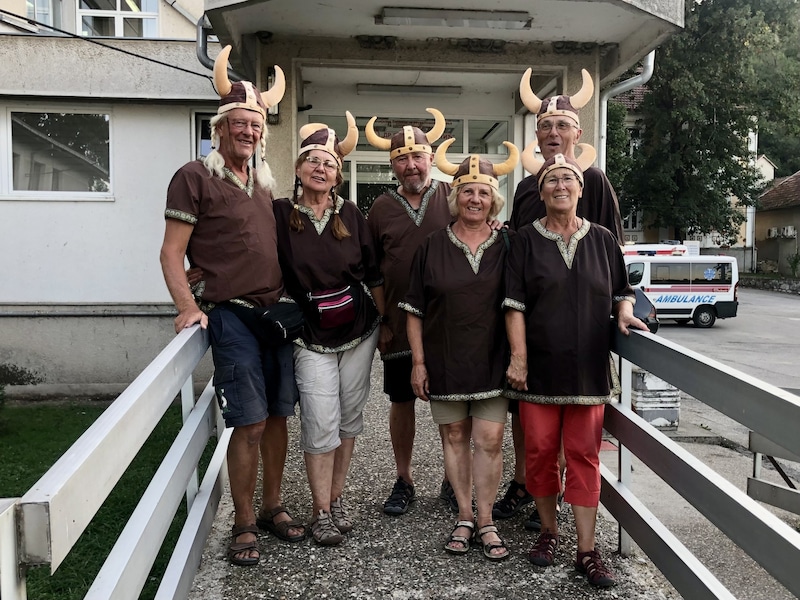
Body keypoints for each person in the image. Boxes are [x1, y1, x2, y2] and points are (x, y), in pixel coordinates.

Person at [160, 46, 304, 567]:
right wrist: (186, 304)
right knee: (248, 421)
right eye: (240, 123)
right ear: (220, 126)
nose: (249, 131)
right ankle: (244, 522)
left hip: (275, 315)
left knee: (279, 417)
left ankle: (272, 506)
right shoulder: (193, 176)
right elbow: (172, 252)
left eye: (256, 125)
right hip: (231, 316)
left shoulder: (264, 183)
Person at [503, 146, 648, 585]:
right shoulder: (524, 239)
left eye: (568, 179)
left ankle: (586, 550)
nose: (560, 185)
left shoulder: (604, 238)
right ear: (540, 191)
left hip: (587, 372)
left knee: (584, 456)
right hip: (538, 373)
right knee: (541, 454)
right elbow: (514, 305)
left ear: (582, 190)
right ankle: (549, 530)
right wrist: (519, 358)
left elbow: (623, 289)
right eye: (551, 180)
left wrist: (624, 312)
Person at [494, 68, 626, 530]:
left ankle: (566, 510)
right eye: (545, 126)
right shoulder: (529, 185)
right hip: (533, 326)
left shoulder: (596, 182)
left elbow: (615, 259)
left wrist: (623, 307)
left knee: (576, 436)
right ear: (536, 133)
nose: (553, 132)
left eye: (562, 125)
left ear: (578, 133)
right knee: (531, 424)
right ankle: (528, 487)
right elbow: (514, 245)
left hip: (583, 335)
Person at [401, 138, 518, 561]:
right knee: (453, 436)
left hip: (492, 361)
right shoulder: (431, 246)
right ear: (454, 197)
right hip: (445, 359)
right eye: (467, 190)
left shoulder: (508, 244)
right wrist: (418, 363)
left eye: (483, 191)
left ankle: (486, 521)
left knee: (489, 440)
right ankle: (464, 516)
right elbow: (414, 310)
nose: (475, 198)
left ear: (494, 200)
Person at [273, 114, 385, 546]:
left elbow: (374, 274)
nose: (321, 168)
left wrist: (387, 324)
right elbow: (253, 251)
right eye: (313, 161)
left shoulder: (353, 215)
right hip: (309, 332)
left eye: (329, 163)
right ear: (299, 169)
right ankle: (320, 510)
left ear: (338, 174)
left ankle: (336, 499)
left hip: (358, 329)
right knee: (320, 419)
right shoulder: (280, 214)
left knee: (350, 417)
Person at [364, 109, 458, 516]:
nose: (411, 164)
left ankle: (453, 480)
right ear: (392, 164)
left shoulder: (453, 196)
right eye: (401, 158)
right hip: (399, 327)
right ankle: (404, 479)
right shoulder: (380, 208)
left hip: (447, 326)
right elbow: (373, 272)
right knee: (401, 402)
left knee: (450, 406)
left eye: (417, 156)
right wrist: (383, 320)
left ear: (431, 158)